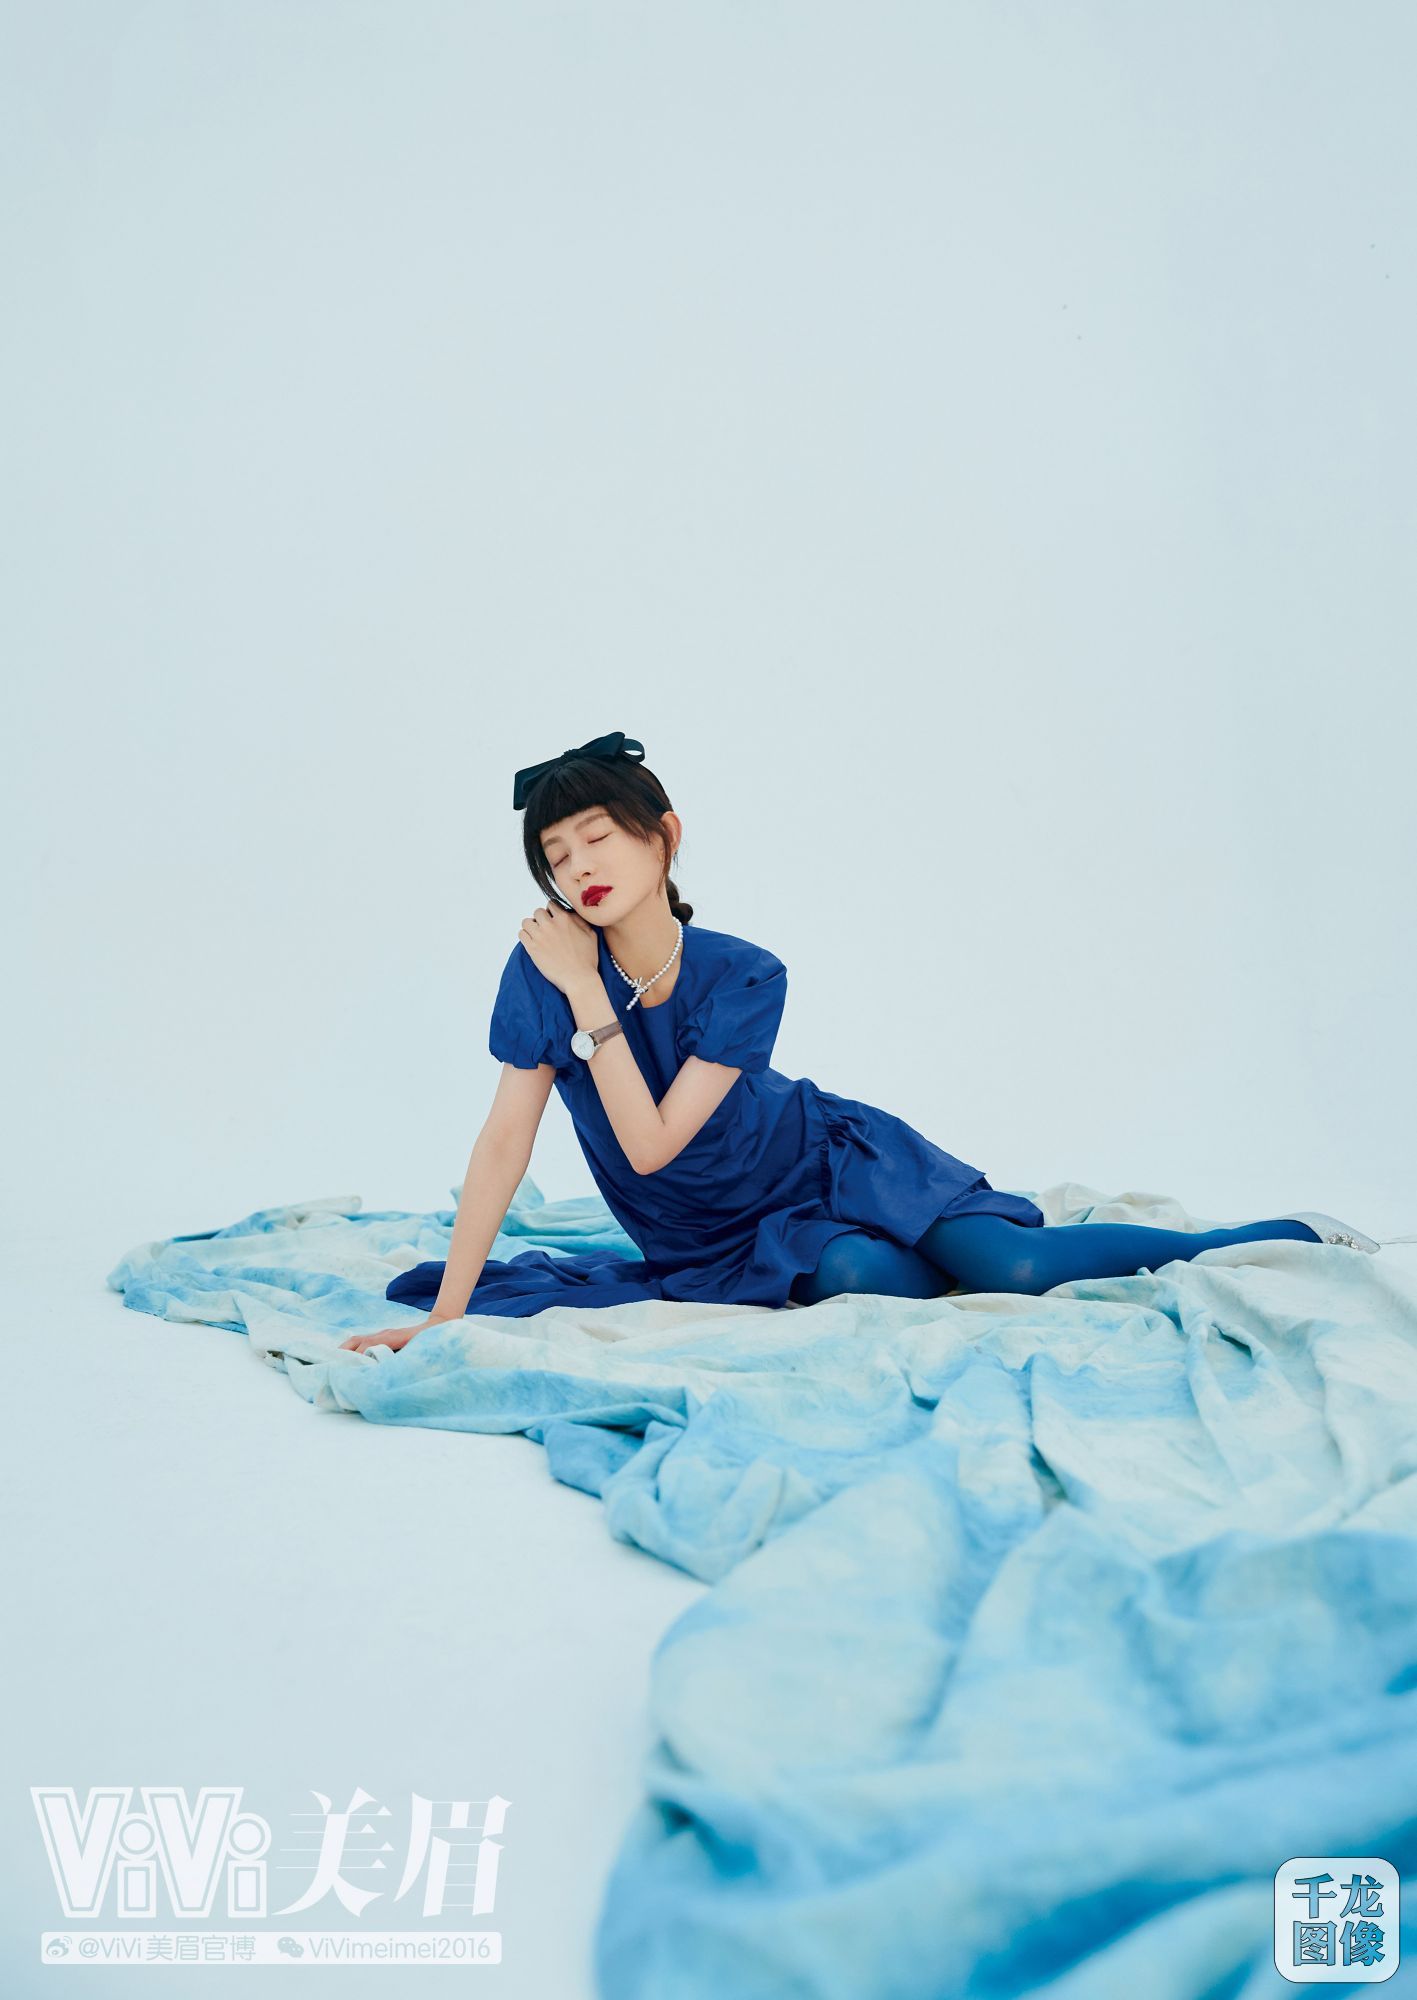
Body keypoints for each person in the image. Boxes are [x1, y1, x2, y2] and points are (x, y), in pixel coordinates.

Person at [339, 732, 1388, 1355]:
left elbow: (652, 1139)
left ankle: (1269, 1232)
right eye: (556, 855)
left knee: (1015, 1267)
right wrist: (448, 1312)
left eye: (598, 836)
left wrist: (587, 996)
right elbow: (504, 1143)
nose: (578, 868)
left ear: (664, 833)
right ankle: (941, 1240)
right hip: (708, 1234)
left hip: (824, 1156)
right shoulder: (544, 968)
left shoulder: (744, 974)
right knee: (865, 1283)